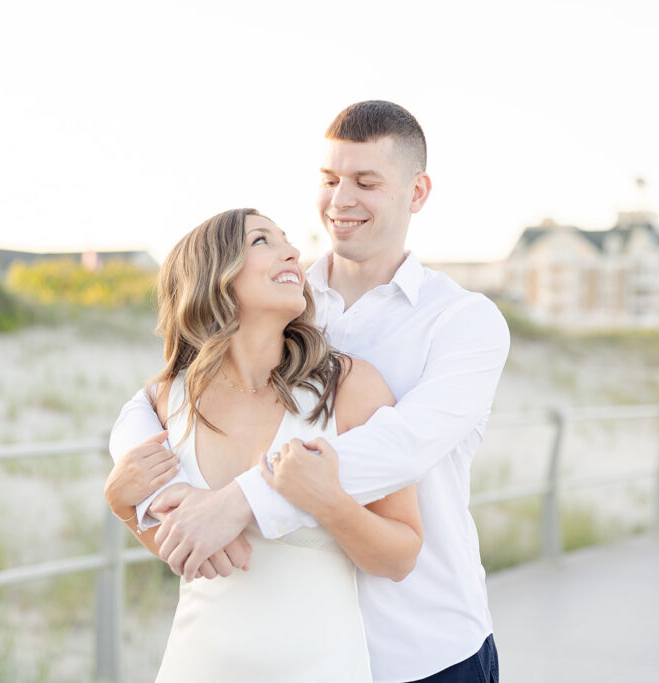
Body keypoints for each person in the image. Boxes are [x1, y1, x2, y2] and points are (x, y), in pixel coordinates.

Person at [109, 101, 509, 682]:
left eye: (366, 182)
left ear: (416, 192)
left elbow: (401, 447)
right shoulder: (283, 304)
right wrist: (139, 490)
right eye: (330, 180)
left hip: (421, 645)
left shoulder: (462, 322)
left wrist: (238, 500)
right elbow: (149, 404)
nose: (340, 200)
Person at [105, 207, 423, 682]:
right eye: (262, 241)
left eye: (287, 240)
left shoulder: (349, 388)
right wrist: (123, 505)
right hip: (196, 666)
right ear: (212, 274)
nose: (292, 252)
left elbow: (401, 556)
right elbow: (184, 548)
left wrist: (329, 502)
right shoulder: (168, 399)